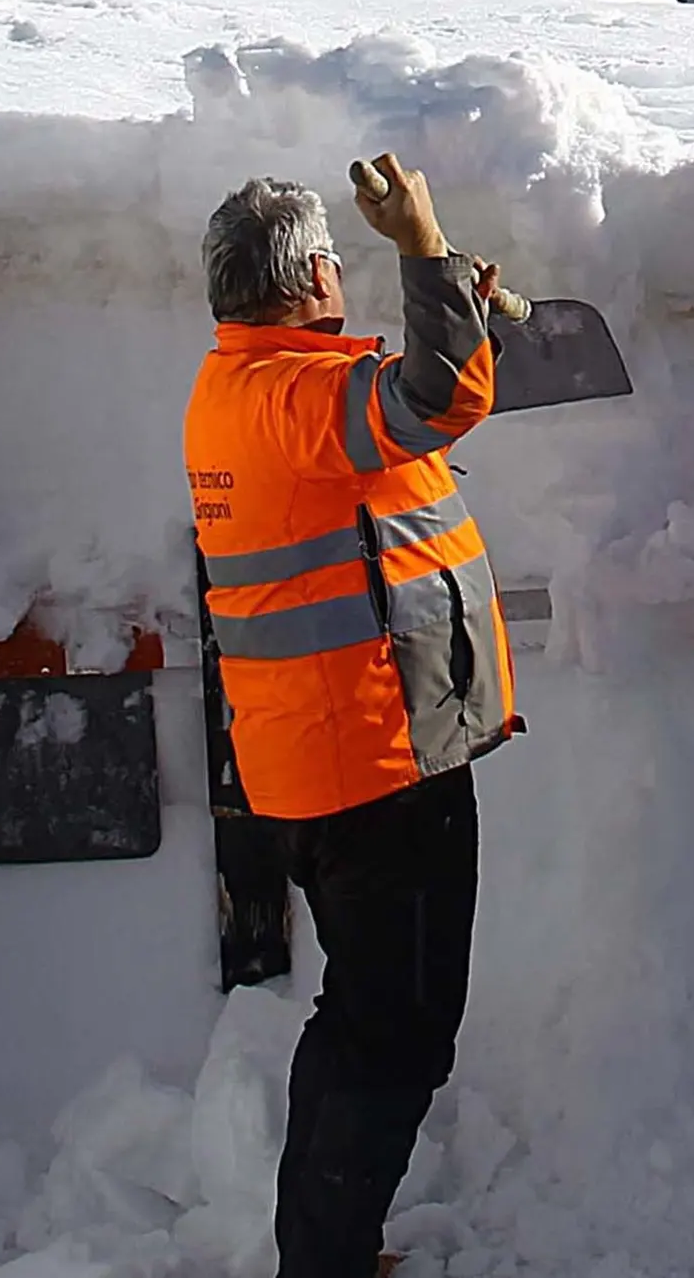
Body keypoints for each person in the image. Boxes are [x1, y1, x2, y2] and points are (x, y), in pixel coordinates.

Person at [190, 158, 515, 1276]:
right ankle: (324, 1264)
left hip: (325, 762)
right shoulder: (295, 397)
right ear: (308, 274)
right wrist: (421, 246)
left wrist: (451, 302)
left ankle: (323, 1250)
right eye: (336, 256)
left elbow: (414, 412)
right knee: (397, 1034)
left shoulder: (246, 390)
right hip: (377, 770)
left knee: (358, 1017)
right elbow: (435, 401)